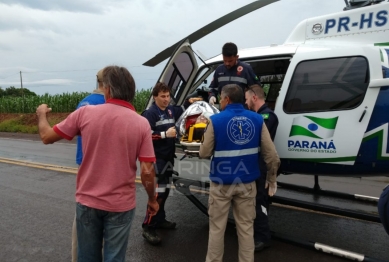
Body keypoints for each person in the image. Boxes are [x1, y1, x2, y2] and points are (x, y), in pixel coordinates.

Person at [36, 65, 159, 261]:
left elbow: (46, 136)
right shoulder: (141, 123)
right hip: (121, 205)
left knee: (87, 257)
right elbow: (146, 172)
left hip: (88, 203)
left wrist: (42, 114)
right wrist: (152, 199)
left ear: (108, 90)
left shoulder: (85, 113)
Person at [199, 84, 280, 262]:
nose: (219, 101)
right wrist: (271, 178)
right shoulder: (257, 120)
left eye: (220, 98)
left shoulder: (216, 120)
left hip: (221, 184)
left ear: (227, 99)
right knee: (246, 229)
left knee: (217, 229)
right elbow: (272, 156)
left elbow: (204, 153)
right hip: (247, 184)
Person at [141, 82, 187, 245]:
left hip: (168, 158)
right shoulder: (150, 113)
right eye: (163, 96)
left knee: (165, 192)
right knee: (157, 194)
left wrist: (192, 101)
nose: (166, 99)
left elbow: (182, 108)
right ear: (155, 97)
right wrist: (163, 134)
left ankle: (160, 219)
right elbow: (145, 135)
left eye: (168, 96)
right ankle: (148, 226)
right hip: (157, 160)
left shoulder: (169, 110)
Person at [71, 69, 106, 262]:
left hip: (82, 162)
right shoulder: (106, 103)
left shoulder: (83, 102)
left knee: (82, 214)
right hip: (100, 165)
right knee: (103, 214)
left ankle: (78, 256)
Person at [245, 84, 279, 252]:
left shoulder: (267, 116)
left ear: (254, 98)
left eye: (246, 99)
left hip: (262, 165)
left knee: (260, 200)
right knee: (256, 200)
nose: (246, 103)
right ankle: (259, 233)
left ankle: (263, 238)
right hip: (257, 164)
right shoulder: (259, 116)